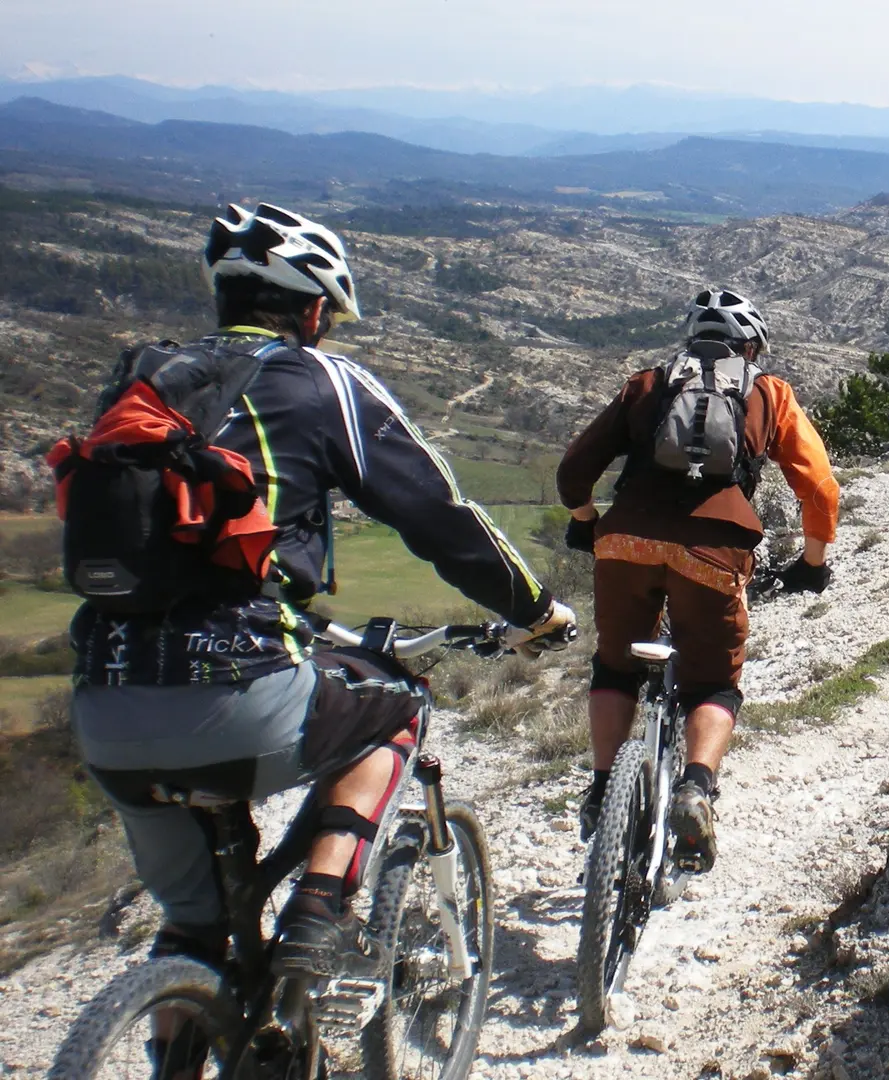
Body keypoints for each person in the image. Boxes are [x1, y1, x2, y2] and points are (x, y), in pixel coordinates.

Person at [65, 203, 575, 981]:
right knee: (398, 709)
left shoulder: (139, 385)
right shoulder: (321, 381)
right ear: (313, 308)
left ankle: (181, 1028)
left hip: (103, 703)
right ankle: (317, 917)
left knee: (194, 932)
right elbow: (438, 517)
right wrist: (535, 611)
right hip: (242, 691)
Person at [557, 287, 838, 871]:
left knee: (614, 666)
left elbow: (574, 470)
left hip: (626, 543)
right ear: (752, 345)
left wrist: (587, 523)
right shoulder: (769, 392)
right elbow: (818, 487)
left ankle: (605, 785)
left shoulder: (648, 383)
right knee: (712, 682)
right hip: (714, 551)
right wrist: (813, 561)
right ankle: (696, 788)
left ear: (692, 339)